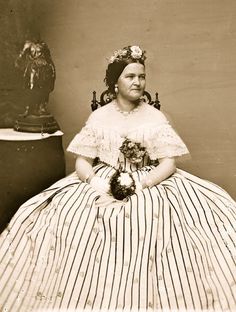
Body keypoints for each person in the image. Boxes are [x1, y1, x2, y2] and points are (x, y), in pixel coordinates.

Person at [0, 45, 236, 312]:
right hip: (102, 178)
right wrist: (96, 183)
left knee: (152, 221)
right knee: (62, 220)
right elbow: (83, 161)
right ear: (115, 82)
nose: (137, 82)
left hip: (149, 180)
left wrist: (140, 184)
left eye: (141, 76)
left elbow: (168, 162)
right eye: (130, 76)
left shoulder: (154, 116)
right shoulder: (99, 116)